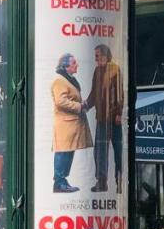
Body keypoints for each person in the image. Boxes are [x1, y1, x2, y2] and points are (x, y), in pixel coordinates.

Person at [84, 44, 124, 194]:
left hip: (114, 118)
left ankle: (119, 181)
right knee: (100, 151)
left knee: (118, 150)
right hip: (101, 118)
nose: (95, 59)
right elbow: (94, 92)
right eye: (95, 56)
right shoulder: (97, 71)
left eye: (97, 56)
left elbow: (120, 93)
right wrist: (86, 105)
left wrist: (119, 113)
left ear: (106, 55)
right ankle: (101, 182)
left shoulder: (115, 69)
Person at [51, 53, 92, 193]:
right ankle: (59, 182)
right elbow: (60, 101)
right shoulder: (60, 81)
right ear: (66, 66)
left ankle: (62, 181)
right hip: (65, 125)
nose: (77, 65)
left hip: (71, 125)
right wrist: (79, 106)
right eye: (74, 63)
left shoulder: (69, 80)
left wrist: (82, 103)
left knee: (68, 153)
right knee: (63, 152)